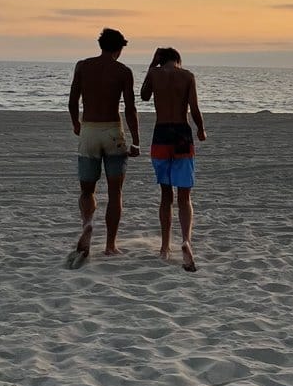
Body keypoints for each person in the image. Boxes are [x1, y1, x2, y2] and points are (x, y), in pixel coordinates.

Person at [66, 28, 140, 267]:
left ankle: (88, 223)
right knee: (115, 192)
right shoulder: (123, 71)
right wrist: (136, 140)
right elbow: (130, 108)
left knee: (87, 190)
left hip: (89, 130)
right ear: (119, 48)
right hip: (113, 132)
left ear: (101, 45)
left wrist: (76, 123)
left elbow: (72, 100)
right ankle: (110, 245)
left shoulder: (83, 66)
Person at [141, 46, 207, 271]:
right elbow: (194, 108)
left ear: (161, 60)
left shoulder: (154, 73)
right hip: (181, 134)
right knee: (184, 196)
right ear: (178, 59)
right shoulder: (187, 76)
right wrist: (201, 129)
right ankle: (186, 240)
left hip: (161, 134)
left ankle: (164, 246)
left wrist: (152, 64)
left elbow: (144, 95)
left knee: (165, 195)